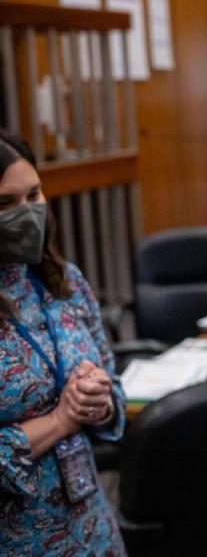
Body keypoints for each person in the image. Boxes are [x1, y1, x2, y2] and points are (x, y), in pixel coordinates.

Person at [0, 134, 127, 556]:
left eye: (33, 194)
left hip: (93, 530)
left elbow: (114, 388)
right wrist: (60, 421)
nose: (28, 213)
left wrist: (99, 399)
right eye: (5, 204)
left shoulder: (65, 280)